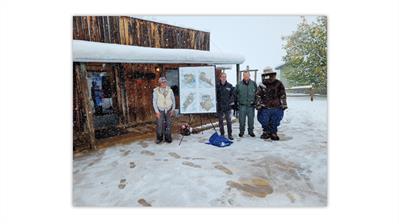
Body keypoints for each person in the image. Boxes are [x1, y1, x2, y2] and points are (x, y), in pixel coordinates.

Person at [255, 67, 288, 140]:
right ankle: (266, 132)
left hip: (277, 107)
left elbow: (282, 94)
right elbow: (258, 95)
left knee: (275, 120)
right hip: (265, 107)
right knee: (264, 120)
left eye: (269, 74)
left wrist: (284, 104)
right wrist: (258, 104)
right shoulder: (262, 85)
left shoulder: (278, 83)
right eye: (266, 75)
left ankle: (273, 132)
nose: (268, 76)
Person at [152, 77, 176, 144]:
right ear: (160, 83)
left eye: (165, 82)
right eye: (162, 82)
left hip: (169, 109)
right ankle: (159, 138)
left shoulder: (170, 90)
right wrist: (157, 112)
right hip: (160, 109)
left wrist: (173, 109)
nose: (164, 83)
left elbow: (173, 100)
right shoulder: (156, 91)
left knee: (168, 124)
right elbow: (154, 102)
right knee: (160, 124)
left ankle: (168, 137)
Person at [235, 71, 257, 137]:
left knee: (251, 120)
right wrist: (236, 103)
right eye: (244, 75)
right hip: (242, 106)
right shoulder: (239, 84)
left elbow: (257, 94)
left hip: (251, 106)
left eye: (247, 75)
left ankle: (251, 132)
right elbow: (235, 94)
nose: (246, 77)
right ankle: (241, 132)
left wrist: (255, 103)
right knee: (241, 121)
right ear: (243, 76)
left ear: (249, 76)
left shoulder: (253, 83)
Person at [216, 73, 235, 140]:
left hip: (227, 107)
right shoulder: (217, 86)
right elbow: (215, 95)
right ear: (220, 78)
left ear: (226, 78)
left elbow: (232, 95)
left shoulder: (230, 86)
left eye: (225, 77)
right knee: (220, 121)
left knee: (228, 121)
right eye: (222, 77)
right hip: (220, 107)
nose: (223, 78)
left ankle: (230, 134)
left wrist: (230, 102)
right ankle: (222, 134)